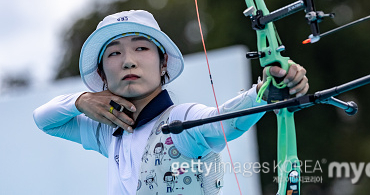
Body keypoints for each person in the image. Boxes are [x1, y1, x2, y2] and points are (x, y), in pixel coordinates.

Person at [33, 10, 309, 194]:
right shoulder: (108, 131)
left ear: (163, 61)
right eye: (114, 53)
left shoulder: (181, 121)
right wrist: (82, 100)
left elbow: (225, 121)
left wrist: (268, 89)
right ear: (102, 72)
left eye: (141, 48)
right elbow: (44, 120)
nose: (129, 60)